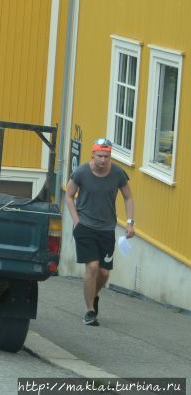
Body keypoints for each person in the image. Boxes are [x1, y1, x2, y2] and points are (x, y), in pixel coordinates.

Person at [64, 137, 136, 326]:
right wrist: (76, 220)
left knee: (104, 273)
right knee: (93, 267)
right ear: (93, 155)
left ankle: (94, 296)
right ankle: (89, 311)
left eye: (107, 156)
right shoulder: (81, 172)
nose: (103, 160)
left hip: (107, 228)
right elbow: (69, 195)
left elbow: (128, 197)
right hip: (85, 226)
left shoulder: (118, 173)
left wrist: (130, 223)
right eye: (100, 156)